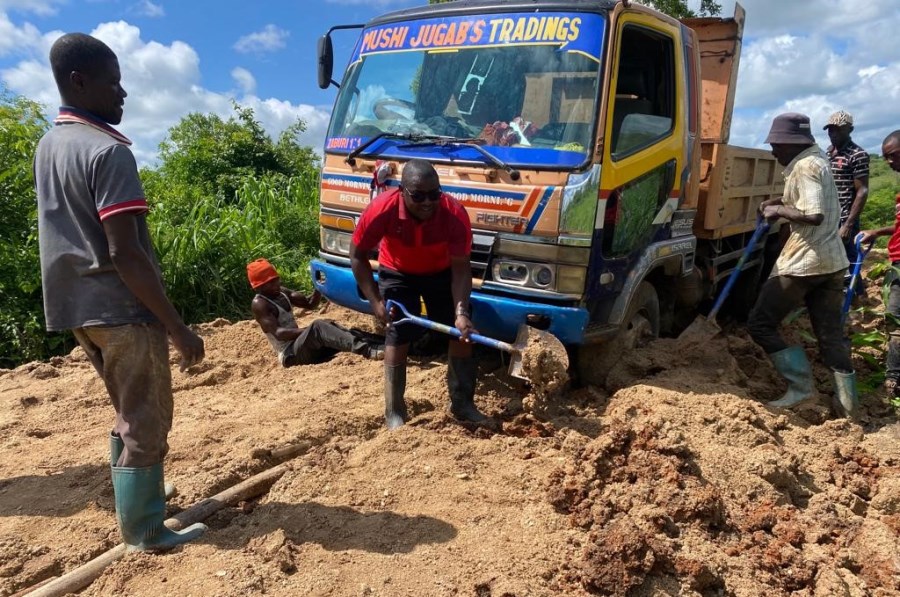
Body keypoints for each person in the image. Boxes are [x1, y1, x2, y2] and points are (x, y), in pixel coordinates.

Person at [34, 33, 207, 551]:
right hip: (121, 307)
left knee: (126, 405)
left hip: (77, 307)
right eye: (113, 83)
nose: (123, 93)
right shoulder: (108, 152)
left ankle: (142, 492)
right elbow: (126, 252)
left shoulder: (51, 144)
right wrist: (176, 327)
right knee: (146, 414)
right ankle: (145, 530)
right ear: (78, 81)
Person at [349, 159, 488, 429]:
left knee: (460, 333)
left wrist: (460, 312)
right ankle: (394, 412)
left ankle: (463, 405)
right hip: (398, 272)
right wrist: (376, 301)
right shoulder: (381, 210)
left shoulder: (454, 213)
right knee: (398, 332)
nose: (428, 202)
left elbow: (461, 268)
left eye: (434, 193)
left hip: (441, 272)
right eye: (419, 195)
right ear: (402, 191)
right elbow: (357, 256)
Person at [747, 113, 858, 418]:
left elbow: (814, 214)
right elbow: (806, 202)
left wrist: (778, 210)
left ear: (792, 144)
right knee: (830, 336)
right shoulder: (817, 160)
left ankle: (801, 389)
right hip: (832, 261)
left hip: (806, 262)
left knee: (760, 323)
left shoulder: (806, 166)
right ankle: (850, 408)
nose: (773, 152)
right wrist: (776, 201)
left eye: (777, 146)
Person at [247, 258, 384, 365]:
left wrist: (319, 286)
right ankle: (367, 350)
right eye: (269, 284)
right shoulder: (260, 304)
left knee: (346, 332)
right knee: (319, 326)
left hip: (305, 347)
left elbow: (310, 304)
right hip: (290, 355)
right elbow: (279, 334)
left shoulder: (281, 292)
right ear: (258, 288)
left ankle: (386, 344)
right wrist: (310, 331)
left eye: (275, 280)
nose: (275, 285)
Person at [857, 130, 900, 397]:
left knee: (896, 321)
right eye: (885, 158)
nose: (888, 163)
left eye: (893, 156)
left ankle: (893, 381)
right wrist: (877, 232)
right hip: (895, 260)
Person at [824, 110, 870, 290]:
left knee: (849, 255)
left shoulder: (857, 154)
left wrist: (848, 224)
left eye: (838, 130)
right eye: (830, 130)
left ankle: (856, 293)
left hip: (845, 216)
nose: (833, 134)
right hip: (827, 214)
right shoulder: (828, 153)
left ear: (850, 130)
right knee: (830, 255)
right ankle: (836, 290)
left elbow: (862, 191)